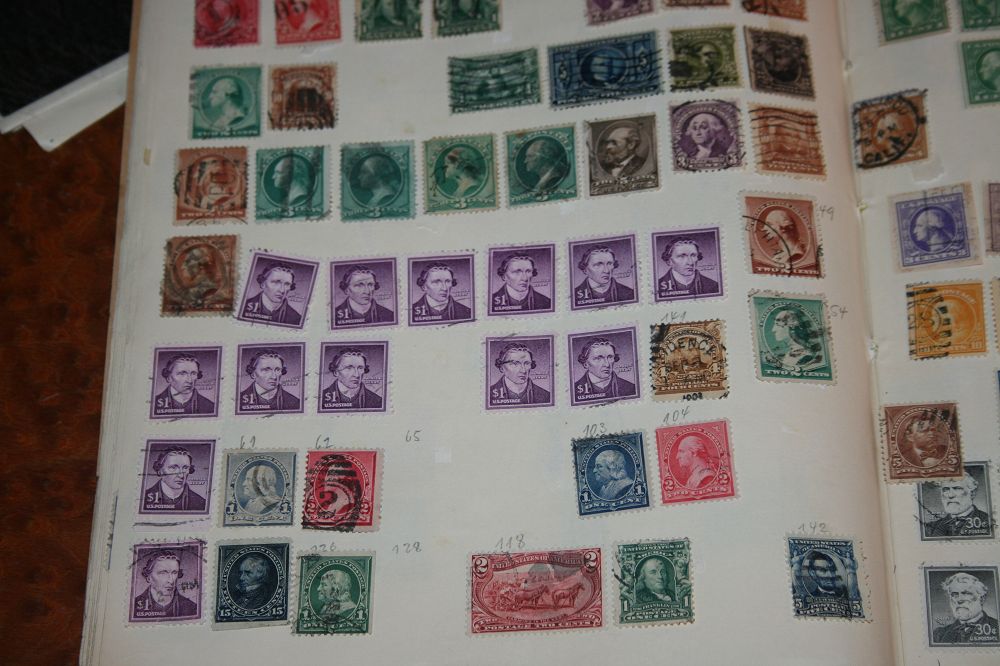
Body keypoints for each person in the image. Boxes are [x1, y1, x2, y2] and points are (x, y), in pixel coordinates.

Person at [933, 572, 1000, 643]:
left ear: (982, 599)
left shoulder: (997, 627)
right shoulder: (939, 635)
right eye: (954, 594)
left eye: (966, 593)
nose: (959, 600)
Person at [132, 550, 198, 619]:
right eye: (163, 573)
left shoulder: (192, 608)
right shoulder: (134, 606)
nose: (171, 581)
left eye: (174, 573)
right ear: (149, 577)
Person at [924, 472, 992, 537]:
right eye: (946, 489)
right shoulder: (930, 528)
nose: (950, 495)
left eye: (957, 488)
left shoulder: (989, 522)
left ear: (972, 493)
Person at [142, 447, 207, 512]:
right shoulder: (142, 499)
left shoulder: (201, 503)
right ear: (160, 470)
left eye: (185, 468)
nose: (181, 475)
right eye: (173, 468)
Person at [573, 337, 636, 402]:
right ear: (585, 364)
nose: (607, 364)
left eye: (610, 357)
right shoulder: (573, 391)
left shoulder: (631, 388)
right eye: (598, 358)